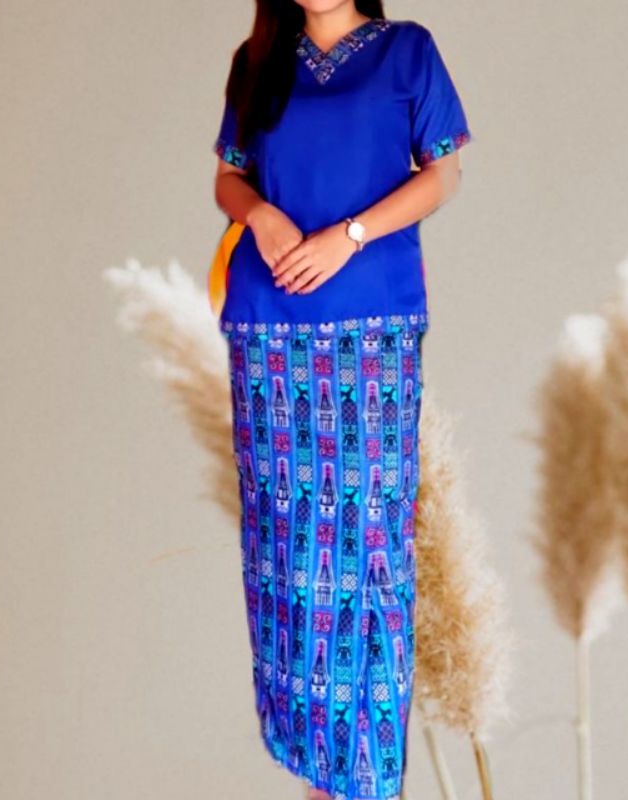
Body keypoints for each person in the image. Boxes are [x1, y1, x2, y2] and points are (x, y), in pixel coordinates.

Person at [211, 3, 471, 798]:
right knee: (286, 555)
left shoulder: (407, 51)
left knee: (372, 551)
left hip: (372, 327)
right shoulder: (258, 61)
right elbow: (229, 176)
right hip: (269, 330)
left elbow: (444, 174)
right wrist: (259, 214)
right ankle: (312, 773)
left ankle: (366, 780)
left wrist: (349, 236)